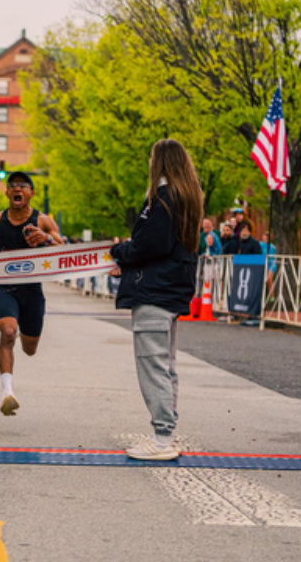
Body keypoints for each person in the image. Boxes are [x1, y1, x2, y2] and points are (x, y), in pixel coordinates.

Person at [108, 139, 203, 460]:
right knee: (165, 365)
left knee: (153, 365)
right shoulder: (187, 197)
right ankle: (166, 432)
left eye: (153, 158)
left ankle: (162, 438)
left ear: (159, 162)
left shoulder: (163, 198)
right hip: (171, 288)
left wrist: (120, 252)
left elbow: (150, 244)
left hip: (154, 291)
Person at [0, 171, 64, 416]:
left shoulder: (43, 221)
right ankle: (7, 392)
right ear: (7, 193)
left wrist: (46, 239)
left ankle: (20, 346)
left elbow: (62, 248)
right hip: (5, 288)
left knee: (30, 349)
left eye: (23, 185)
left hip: (32, 291)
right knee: (8, 333)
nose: (17, 188)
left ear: (31, 193)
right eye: (13, 185)